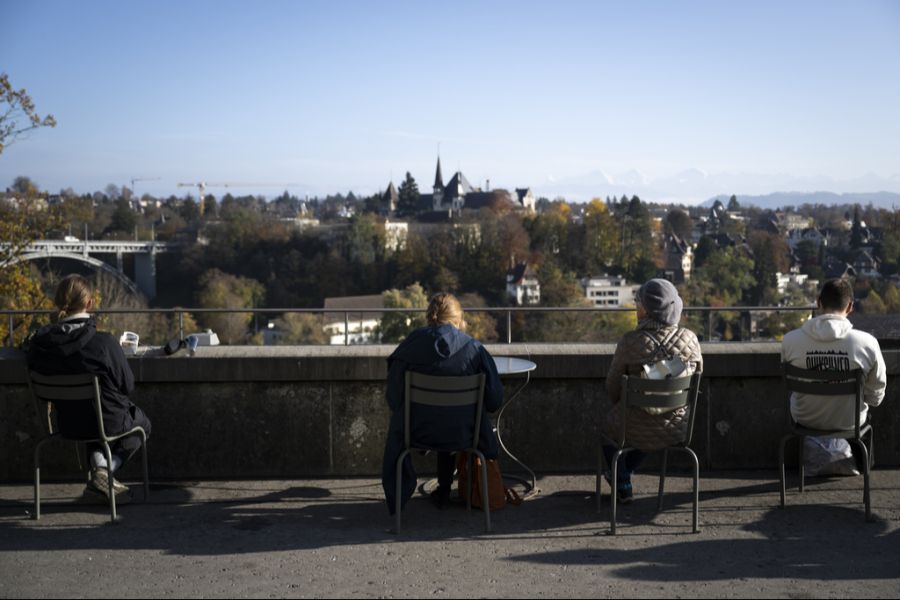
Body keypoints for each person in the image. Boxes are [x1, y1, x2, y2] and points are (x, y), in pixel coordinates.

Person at [26, 274, 152, 501]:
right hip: (106, 421)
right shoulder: (103, 343)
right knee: (141, 423)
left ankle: (100, 474)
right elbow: (128, 385)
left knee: (89, 419)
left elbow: (29, 349)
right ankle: (105, 473)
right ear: (89, 303)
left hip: (68, 424)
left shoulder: (40, 345)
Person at [381, 293, 503, 514]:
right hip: (465, 434)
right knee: (457, 418)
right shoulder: (475, 350)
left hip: (417, 433)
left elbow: (393, 397)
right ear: (458, 320)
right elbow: (494, 400)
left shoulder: (410, 347)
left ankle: (400, 504)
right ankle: (453, 491)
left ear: (431, 317)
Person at [601, 278, 702, 503]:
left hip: (635, 425)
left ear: (646, 310)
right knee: (655, 426)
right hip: (677, 426)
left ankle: (622, 480)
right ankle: (622, 476)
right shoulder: (690, 339)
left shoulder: (630, 342)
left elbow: (612, 388)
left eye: (639, 304)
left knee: (608, 432)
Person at [782, 278, 886, 432]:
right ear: (850, 306)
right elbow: (876, 397)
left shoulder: (790, 340)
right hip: (851, 424)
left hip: (804, 421)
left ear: (819, 303)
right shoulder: (867, 343)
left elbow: (790, 386)